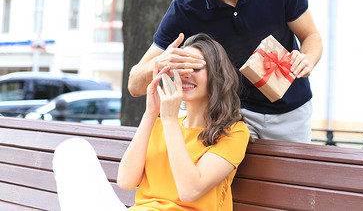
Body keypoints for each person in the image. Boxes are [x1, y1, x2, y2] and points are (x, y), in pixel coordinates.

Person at [128, 0, 323, 143]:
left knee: (292, 179)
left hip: (291, 112)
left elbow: (311, 36)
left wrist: (307, 58)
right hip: (233, 115)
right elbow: (134, 84)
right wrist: (160, 63)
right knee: (228, 177)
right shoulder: (185, 7)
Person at [52, 33, 250, 211]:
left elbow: (190, 191)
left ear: (217, 76)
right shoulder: (162, 123)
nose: (187, 73)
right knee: (72, 150)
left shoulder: (233, 132)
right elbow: (126, 181)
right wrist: (150, 113)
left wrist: (170, 120)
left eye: (196, 67)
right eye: (180, 67)